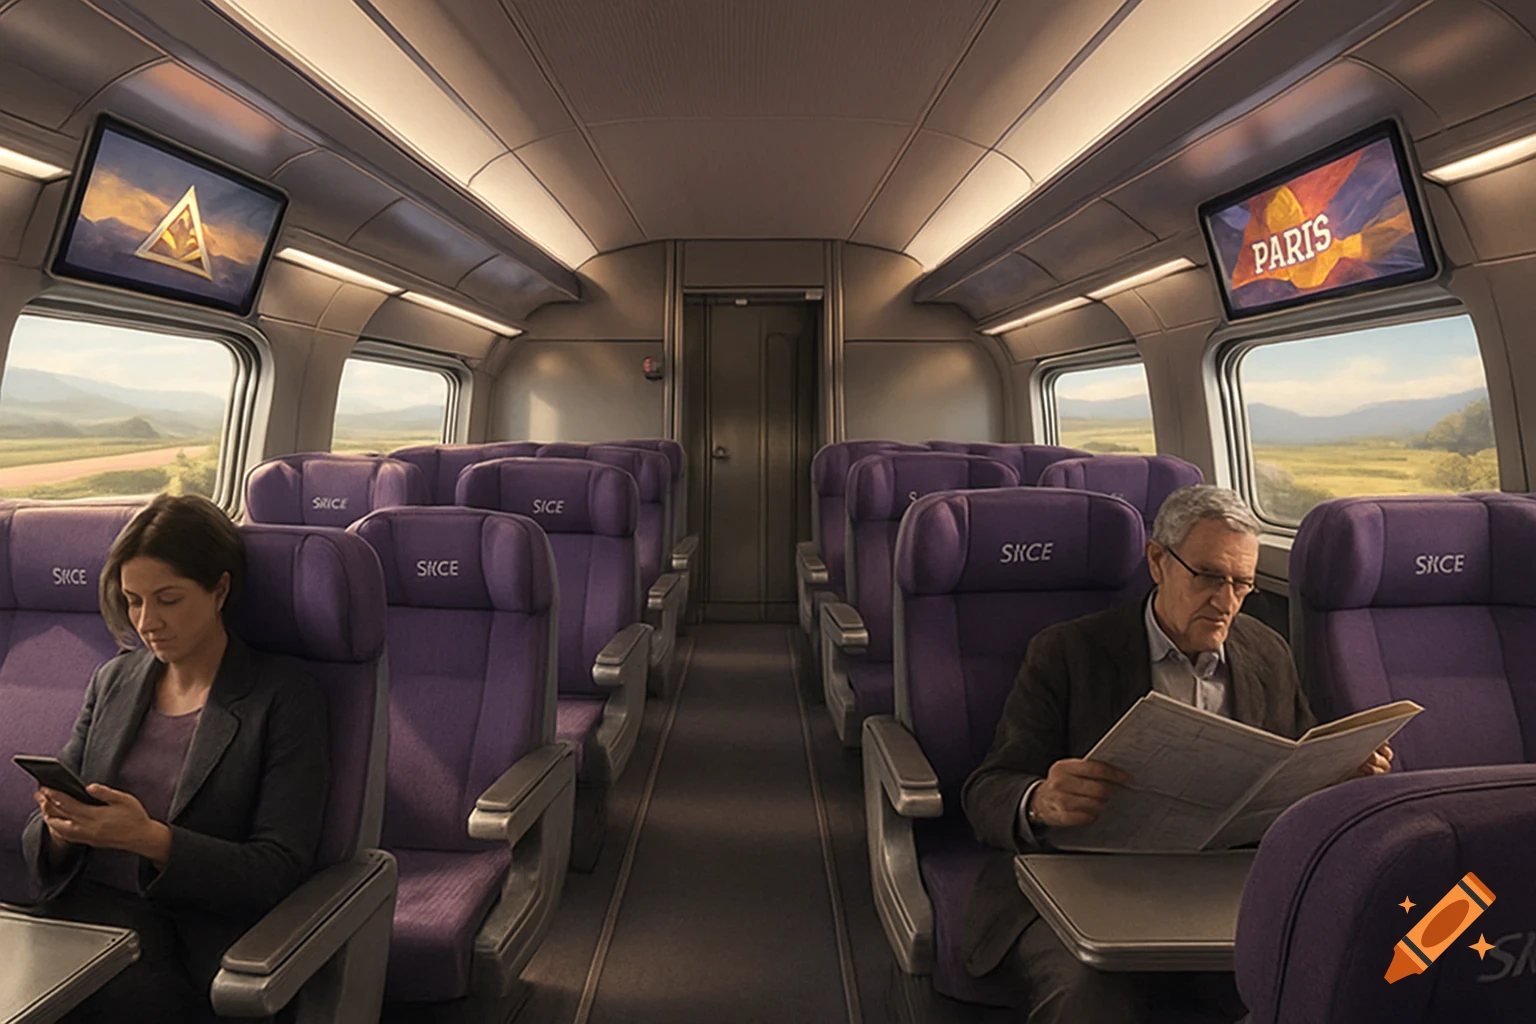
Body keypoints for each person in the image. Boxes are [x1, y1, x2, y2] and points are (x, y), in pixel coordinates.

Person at [961, 485, 1392, 1023]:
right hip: (1086, 882)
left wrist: (1334, 776)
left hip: (1224, 885)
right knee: (1091, 999)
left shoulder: (1266, 653)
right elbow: (988, 787)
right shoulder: (1068, 652)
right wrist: (1039, 801)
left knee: (1326, 975)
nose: (1226, 601)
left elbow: (1291, 762)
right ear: (1158, 561)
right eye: (1209, 576)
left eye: (1242, 584)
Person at [21, 494, 330, 1022]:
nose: (146, 622)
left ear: (220, 590)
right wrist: (59, 827)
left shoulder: (282, 695)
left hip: (189, 936)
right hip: (81, 918)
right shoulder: (115, 679)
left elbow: (277, 869)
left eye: (168, 599)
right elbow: (43, 828)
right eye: (134, 601)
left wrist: (147, 839)